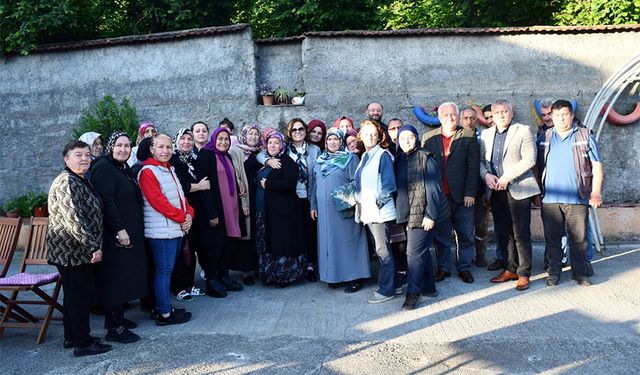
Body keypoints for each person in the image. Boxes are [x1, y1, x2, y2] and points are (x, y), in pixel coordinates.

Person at [47, 140, 112, 357]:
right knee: (80, 298)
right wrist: (93, 247)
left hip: (76, 250)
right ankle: (83, 343)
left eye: (87, 154)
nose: (84, 158)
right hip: (72, 252)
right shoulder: (67, 181)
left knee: (74, 297)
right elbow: (74, 219)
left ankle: (72, 337)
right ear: (66, 159)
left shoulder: (80, 179)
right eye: (78, 155)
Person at [89, 131, 149, 343]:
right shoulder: (103, 168)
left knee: (123, 276)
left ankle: (116, 319)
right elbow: (106, 201)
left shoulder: (121, 167)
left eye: (126, 145)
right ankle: (115, 328)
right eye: (119, 145)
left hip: (128, 230)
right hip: (114, 233)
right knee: (114, 279)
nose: (123, 149)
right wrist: (119, 229)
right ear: (111, 147)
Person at [537, 100, 603, 286]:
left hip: (578, 198)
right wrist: (537, 192)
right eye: (556, 115)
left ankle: (580, 274)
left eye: (565, 114)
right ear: (552, 116)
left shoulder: (584, 135)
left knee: (579, 239)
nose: (561, 118)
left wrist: (596, 192)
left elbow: (597, 166)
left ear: (572, 115)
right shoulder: (545, 137)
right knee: (553, 240)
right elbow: (537, 167)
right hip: (550, 199)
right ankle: (553, 273)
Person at [480, 100, 540, 291]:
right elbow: (481, 162)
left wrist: (507, 177)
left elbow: (530, 159)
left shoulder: (523, 130)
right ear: (492, 115)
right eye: (497, 112)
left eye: (505, 112)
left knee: (521, 233)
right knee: (503, 232)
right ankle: (510, 268)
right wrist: (486, 175)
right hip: (496, 190)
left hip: (518, 189)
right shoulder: (486, 134)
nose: (501, 115)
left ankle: (524, 273)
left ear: (511, 113)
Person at [138, 133, 194, 325]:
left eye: (169, 147)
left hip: (175, 229)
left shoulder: (168, 169)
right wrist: (182, 218)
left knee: (166, 272)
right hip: (162, 232)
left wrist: (189, 215)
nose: (165, 151)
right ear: (152, 150)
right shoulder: (148, 172)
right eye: (161, 147)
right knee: (163, 272)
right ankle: (164, 314)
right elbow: (158, 202)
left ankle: (165, 307)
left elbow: (181, 198)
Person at [422, 102, 479, 284]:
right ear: (439, 118)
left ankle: (464, 268)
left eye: (453, 115)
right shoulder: (428, 138)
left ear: (458, 115)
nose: (450, 118)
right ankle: (444, 268)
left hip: (463, 196)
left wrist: (470, 192)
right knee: (442, 235)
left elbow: (473, 167)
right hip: (440, 197)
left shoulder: (469, 136)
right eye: (445, 115)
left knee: (466, 234)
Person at [394, 125, 449, 310]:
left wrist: (430, 215)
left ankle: (413, 293)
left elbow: (434, 189)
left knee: (413, 254)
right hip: (407, 213)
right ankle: (428, 287)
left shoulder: (426, 157)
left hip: (423, 214)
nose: (406, 141)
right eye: (402, 138)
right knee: (420, 252)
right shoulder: (400, 158)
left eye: (410, 137)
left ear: (417, 138)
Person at [261, 118, 322, 282]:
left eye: (300, 129)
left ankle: (310, 266)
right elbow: (261, 154)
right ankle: (298, 267)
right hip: (290, 199)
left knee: (310, 232)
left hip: (309, 197)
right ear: (289, 132)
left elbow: (317, 178)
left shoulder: (315, 150)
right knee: (297, 233)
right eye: (294, 130)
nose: (297, 132)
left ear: (305, 130)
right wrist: (267, 160)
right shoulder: (284, 149)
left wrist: (314, 204)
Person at [310, 128, 371, 293]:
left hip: (344, 208)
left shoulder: (350, 158)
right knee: (329, 243)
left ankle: (355, 277)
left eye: (335, 139)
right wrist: (313, 205)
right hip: (324, 212)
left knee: (349, 241)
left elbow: (357, 181)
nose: (332, 142)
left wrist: (341, 195)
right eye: (329, 139)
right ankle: (334, 276)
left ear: (341, 141)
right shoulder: (320, 160)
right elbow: (314, 185)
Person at [195, 128, 246, 297]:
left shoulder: (227, 156)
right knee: (214, 247)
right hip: (216, 209)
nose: (223, 142)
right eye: (220, 139)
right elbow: (203, 186)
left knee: (228, 244)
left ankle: (223, 276)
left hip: (230, 206)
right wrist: (211, 213)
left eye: (226, 139)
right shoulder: (206, 155)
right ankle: (211, 280)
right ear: (214, 139)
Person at [354, 119, 398, 304]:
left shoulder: (383, 155)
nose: (370, 137)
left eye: (374, 133)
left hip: (380, 214)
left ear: (380, 135)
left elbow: (388, 185)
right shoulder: (365, 156)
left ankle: (387, 290)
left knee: (383, 251)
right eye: (367, 133)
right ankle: (393, 284)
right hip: (369, 212)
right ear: (361, 136)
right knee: (381, 250)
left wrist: (376, 203)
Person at [256, 131, 307, 287]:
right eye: (270, 142)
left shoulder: (287, 161)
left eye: (276, 143)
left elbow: (290, 183)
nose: (273, 145)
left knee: (282, 244)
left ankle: (284, 276)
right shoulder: (266, 161)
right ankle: (269, 275)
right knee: (268, 244)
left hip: (282, 213)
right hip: (264, 211)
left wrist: (269, 184)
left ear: (282, 145)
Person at [168, 128, 210, 301]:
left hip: (194, 212)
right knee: (181, 251)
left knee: (191, 250)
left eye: (189, 138)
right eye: (183, 138)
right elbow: (179, 186)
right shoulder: (173, 160)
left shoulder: (193, 159)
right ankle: (178, 287)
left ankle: (189, 284)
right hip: (180, 212)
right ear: (176, 141)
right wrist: (198, 186)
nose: (186, 141)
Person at [230, 124, 263, 285]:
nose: (253, 137)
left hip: (260, 197)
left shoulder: (262, 152)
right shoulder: (236, 151)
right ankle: (246, 270)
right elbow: (234, 173)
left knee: (258, 232)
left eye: (256, 134)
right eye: (250, 133)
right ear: (244, 135)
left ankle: (258, 266)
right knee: (246, 233)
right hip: (245, 197)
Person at [459, 108, 490, 268]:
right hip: (462, 191)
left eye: (472, 118)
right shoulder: (457, 137)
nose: (469, 121)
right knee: (463, 227)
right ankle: (464, 256)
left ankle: (480, 254)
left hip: (480, 189)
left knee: (481, 225)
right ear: (461, 120)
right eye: (465, 118)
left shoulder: (483, 137)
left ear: (477, 119)